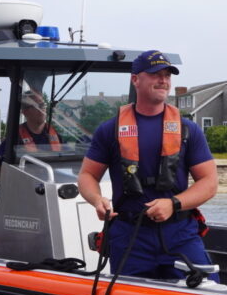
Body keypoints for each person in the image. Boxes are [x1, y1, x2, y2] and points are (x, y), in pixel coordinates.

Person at [78, 50, 219, 281]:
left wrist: (173, 203)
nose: (163, 80)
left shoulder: (188, 130)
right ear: (136, 79)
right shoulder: (109, 130)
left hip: (180, 234)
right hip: (130, 236)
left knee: (206, 292)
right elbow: (87, 175)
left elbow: (209, 182)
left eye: (167, 75)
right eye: (155, 74)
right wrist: (96, 200)